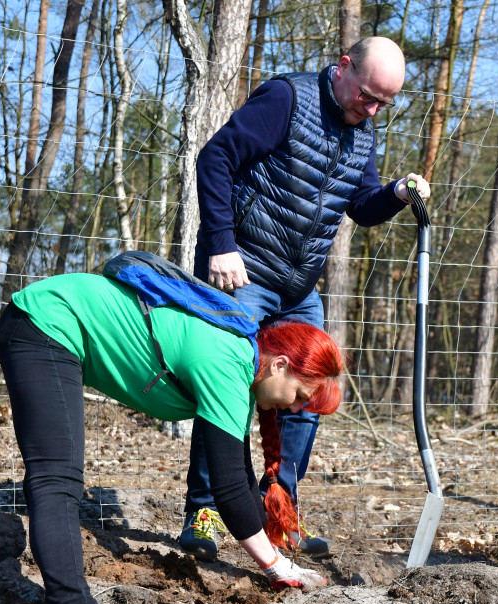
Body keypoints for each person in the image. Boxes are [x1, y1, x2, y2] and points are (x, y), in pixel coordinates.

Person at [180, 35, 432, 561]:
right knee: (225, 384)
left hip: (298, 289)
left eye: (385, 102)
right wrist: (222, 244)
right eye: (368, 95)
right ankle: (204, 510)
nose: (373, 109)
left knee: (308, 393)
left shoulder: (364, 133)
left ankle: (279, 512)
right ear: (343, 68)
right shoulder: (285, 100)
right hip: (243, 272)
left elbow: (359, 206)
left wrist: (397, 194)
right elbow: (216, 158)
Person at [0, 271, 343, 604]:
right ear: (279, 365)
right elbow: (228, 491)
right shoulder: (227, 362)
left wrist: (279, 563)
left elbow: (240, 478)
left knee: (58, 479)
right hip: (46, 321)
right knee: (57, 479)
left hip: (51, 320)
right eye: (300, 396)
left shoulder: (240, 365)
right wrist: (275, 568)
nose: (296, 408)